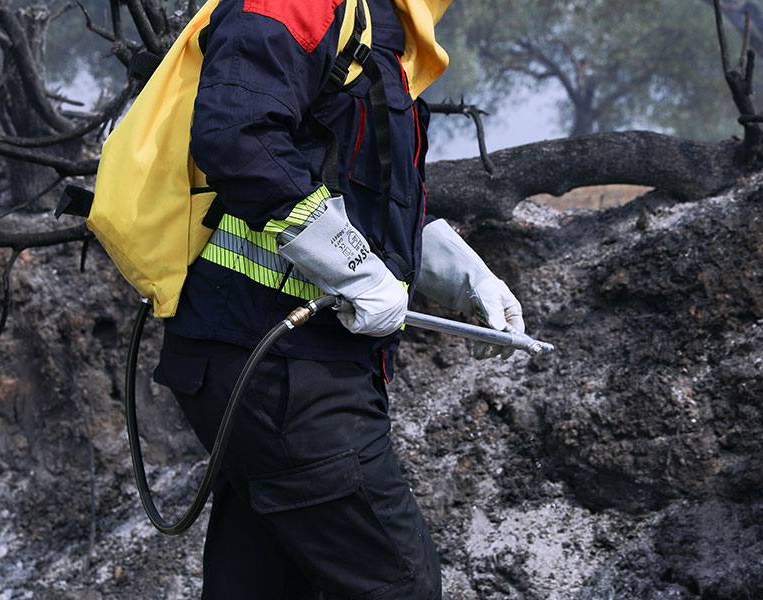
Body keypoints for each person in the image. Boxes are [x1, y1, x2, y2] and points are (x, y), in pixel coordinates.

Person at [152, 0, 524, 597]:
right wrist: (352, 270)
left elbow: (355, 193)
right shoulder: (301, 1)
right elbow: (236, 133)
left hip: (274, 365)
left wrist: (463, 273)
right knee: (402, 587)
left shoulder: (379, 27)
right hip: (284, 371)